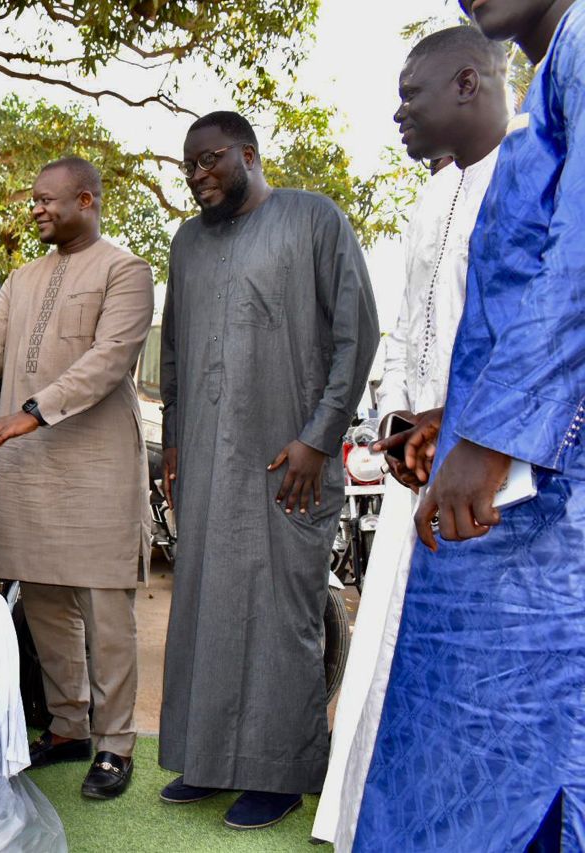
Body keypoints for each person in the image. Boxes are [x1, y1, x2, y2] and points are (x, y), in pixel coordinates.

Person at [358, 2, 585, 848]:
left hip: (547, 505)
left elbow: (577, 266)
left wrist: (490, 442)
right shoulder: (554, 75)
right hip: (507, 464)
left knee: (522, 749)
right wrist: (460, 417)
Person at [311, 26, 510, 850]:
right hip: (416, 472)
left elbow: (535, 337)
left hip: (496, 473)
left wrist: (458, 425)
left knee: (486, 678)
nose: (397, 115)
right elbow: (408, 336)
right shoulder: (435, 195)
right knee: (396, 654)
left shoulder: (539, 176)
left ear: (469, 82)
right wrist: (398, 422)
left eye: (409, 96)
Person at [158, 111, 379, 830]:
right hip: (207, 461)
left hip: (291, 464)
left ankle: (279, 773)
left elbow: (357, 334)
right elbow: (175, 358)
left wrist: (320, 437)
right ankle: (209, 759)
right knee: (204, 606)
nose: (197, 176)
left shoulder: (315, 220)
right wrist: (175, 445)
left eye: (210, 159)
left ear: (250, 155)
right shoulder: (188, 242)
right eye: (189, 165)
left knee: (282, 615)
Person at [0, 156, 153, 801]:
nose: (36, 209)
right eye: (34, 200)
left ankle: (115, 745)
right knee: (49, 604)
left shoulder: (125, 271)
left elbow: (109, 360)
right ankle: (68, 727)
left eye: (48, 200)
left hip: (96, 465)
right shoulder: (23, 278)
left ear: (86, 200)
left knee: (106, 611)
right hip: (25, 462)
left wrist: (30, 413)